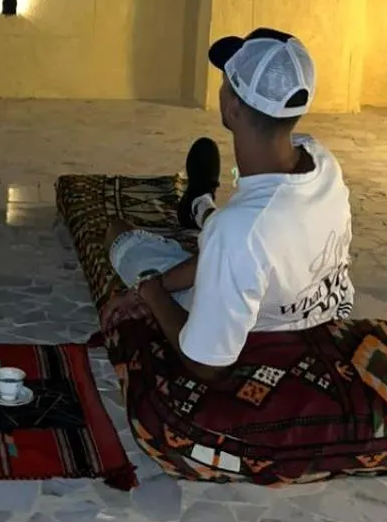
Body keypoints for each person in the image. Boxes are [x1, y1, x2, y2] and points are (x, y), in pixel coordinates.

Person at [105, 28, 354, 384]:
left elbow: (206, 364)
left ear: (232, 107)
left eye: (224, 84)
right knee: (224, 238)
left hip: (257, 327)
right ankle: (200, 206)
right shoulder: (322, 160)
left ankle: (201, 208)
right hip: (316, 311)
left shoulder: (239, 230)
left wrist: (151, 290)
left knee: (118, 232)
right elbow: (249, 243)